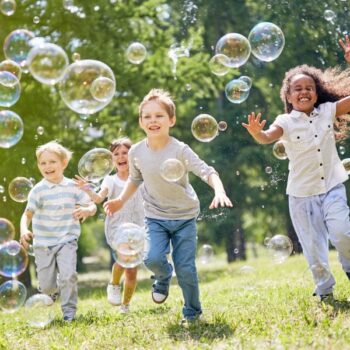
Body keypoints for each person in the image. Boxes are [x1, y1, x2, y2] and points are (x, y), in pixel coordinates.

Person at [103, 89, 232, 323]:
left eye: (159, 116)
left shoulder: (180, 149)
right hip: (155, 216)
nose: (153, 121)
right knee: (151, 259)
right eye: (148, 116)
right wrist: (120, 200)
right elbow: (135, 179)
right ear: (141, 121)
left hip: (184, 217)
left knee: (187, 270)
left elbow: (206, 171)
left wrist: (219, 190)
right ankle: (163, 276)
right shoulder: (136, 152)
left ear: (171, 120)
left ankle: (192, 312)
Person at [242, 35, 350, 301]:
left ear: (317, 92)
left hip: (333, 186)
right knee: (314, 251)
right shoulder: (285, 121)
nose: (304, 92)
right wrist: (258, 133)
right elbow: (269, 136)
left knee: (343, 232)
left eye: (309, 87)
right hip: (302, 196)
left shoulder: (328, 110)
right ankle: (325, 291)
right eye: (297, 89)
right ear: (288, 96)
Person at [20, 141, 97, 321]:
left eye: (52, 161)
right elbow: (27, 214)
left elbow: (91, 204)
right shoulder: (37, 191)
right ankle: (51, 293)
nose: (47, 166)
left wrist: (87, 210)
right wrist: (24, 229)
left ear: (63, 163)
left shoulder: (73, 187)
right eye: (43, 163)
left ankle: (69, 313)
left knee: (68, 275)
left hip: (67, 240)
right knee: (46, 286)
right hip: (43, 244)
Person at [74, 137, 144, 314]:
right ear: (112, 160)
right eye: (116, 154)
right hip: (117, 227)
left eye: (125, 153)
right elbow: (98, 198)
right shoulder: (110, 181)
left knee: (132, 271)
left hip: (139, 226)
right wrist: (87, 189)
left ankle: (125, 305)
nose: (121, 157)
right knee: (123, 259)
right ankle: (114, 284)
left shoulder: (141, 178)